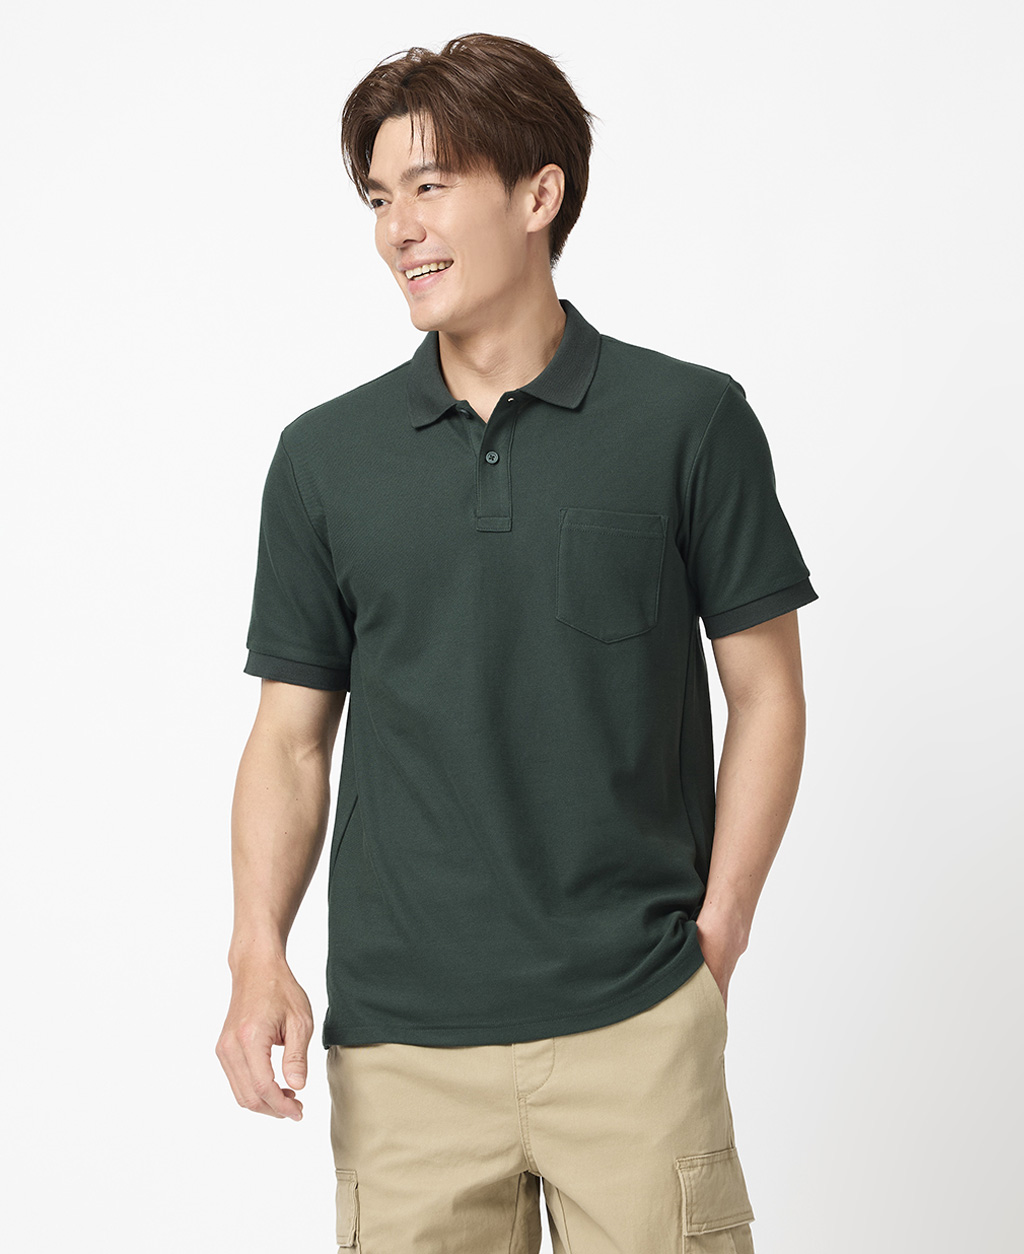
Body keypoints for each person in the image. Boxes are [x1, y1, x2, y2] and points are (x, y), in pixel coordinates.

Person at [216, 31, 818, 1254]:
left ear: (539, 195)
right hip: (403, 1049)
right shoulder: (325, 459)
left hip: (635, 1023)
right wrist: (255, 952)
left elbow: (765, 693)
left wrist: (716, 939)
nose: (398, 230)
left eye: (430, 186)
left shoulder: (689, 422)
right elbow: (289, 742)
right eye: (378, 199)